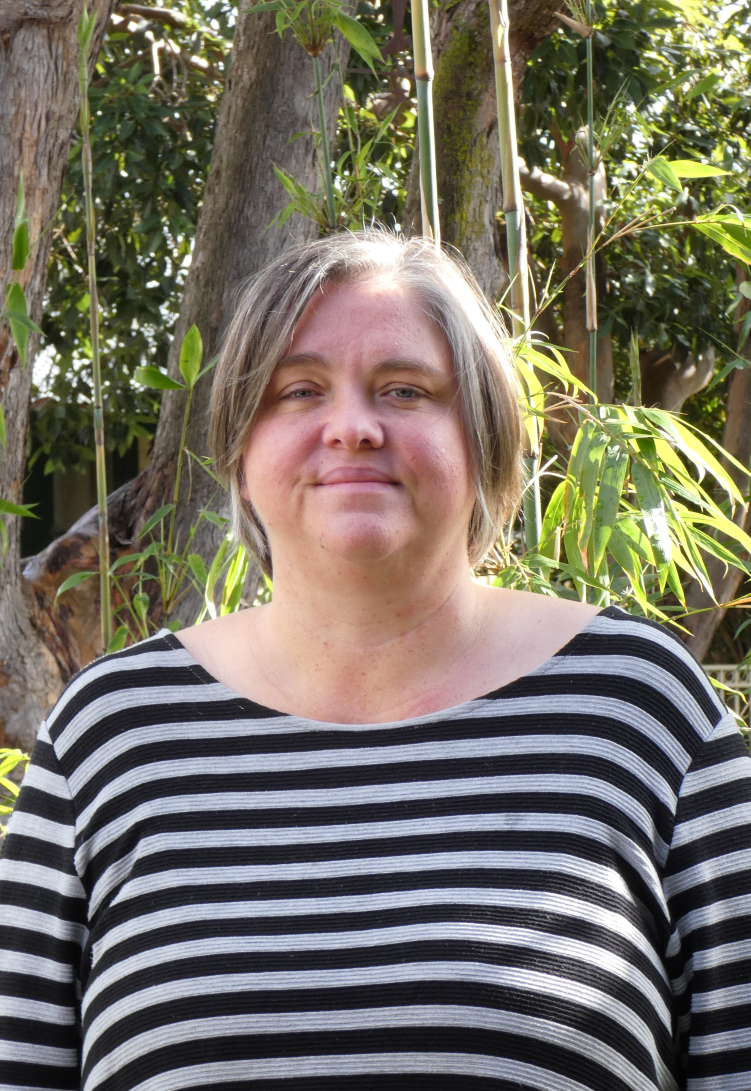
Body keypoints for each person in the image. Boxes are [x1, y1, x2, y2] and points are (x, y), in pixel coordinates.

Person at [1, 230, 750, 1091]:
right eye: (299, 391)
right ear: (241, 455)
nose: (351, 428)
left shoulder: (643, 711)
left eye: (403, 389)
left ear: (484, 437)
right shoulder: (110, 738)